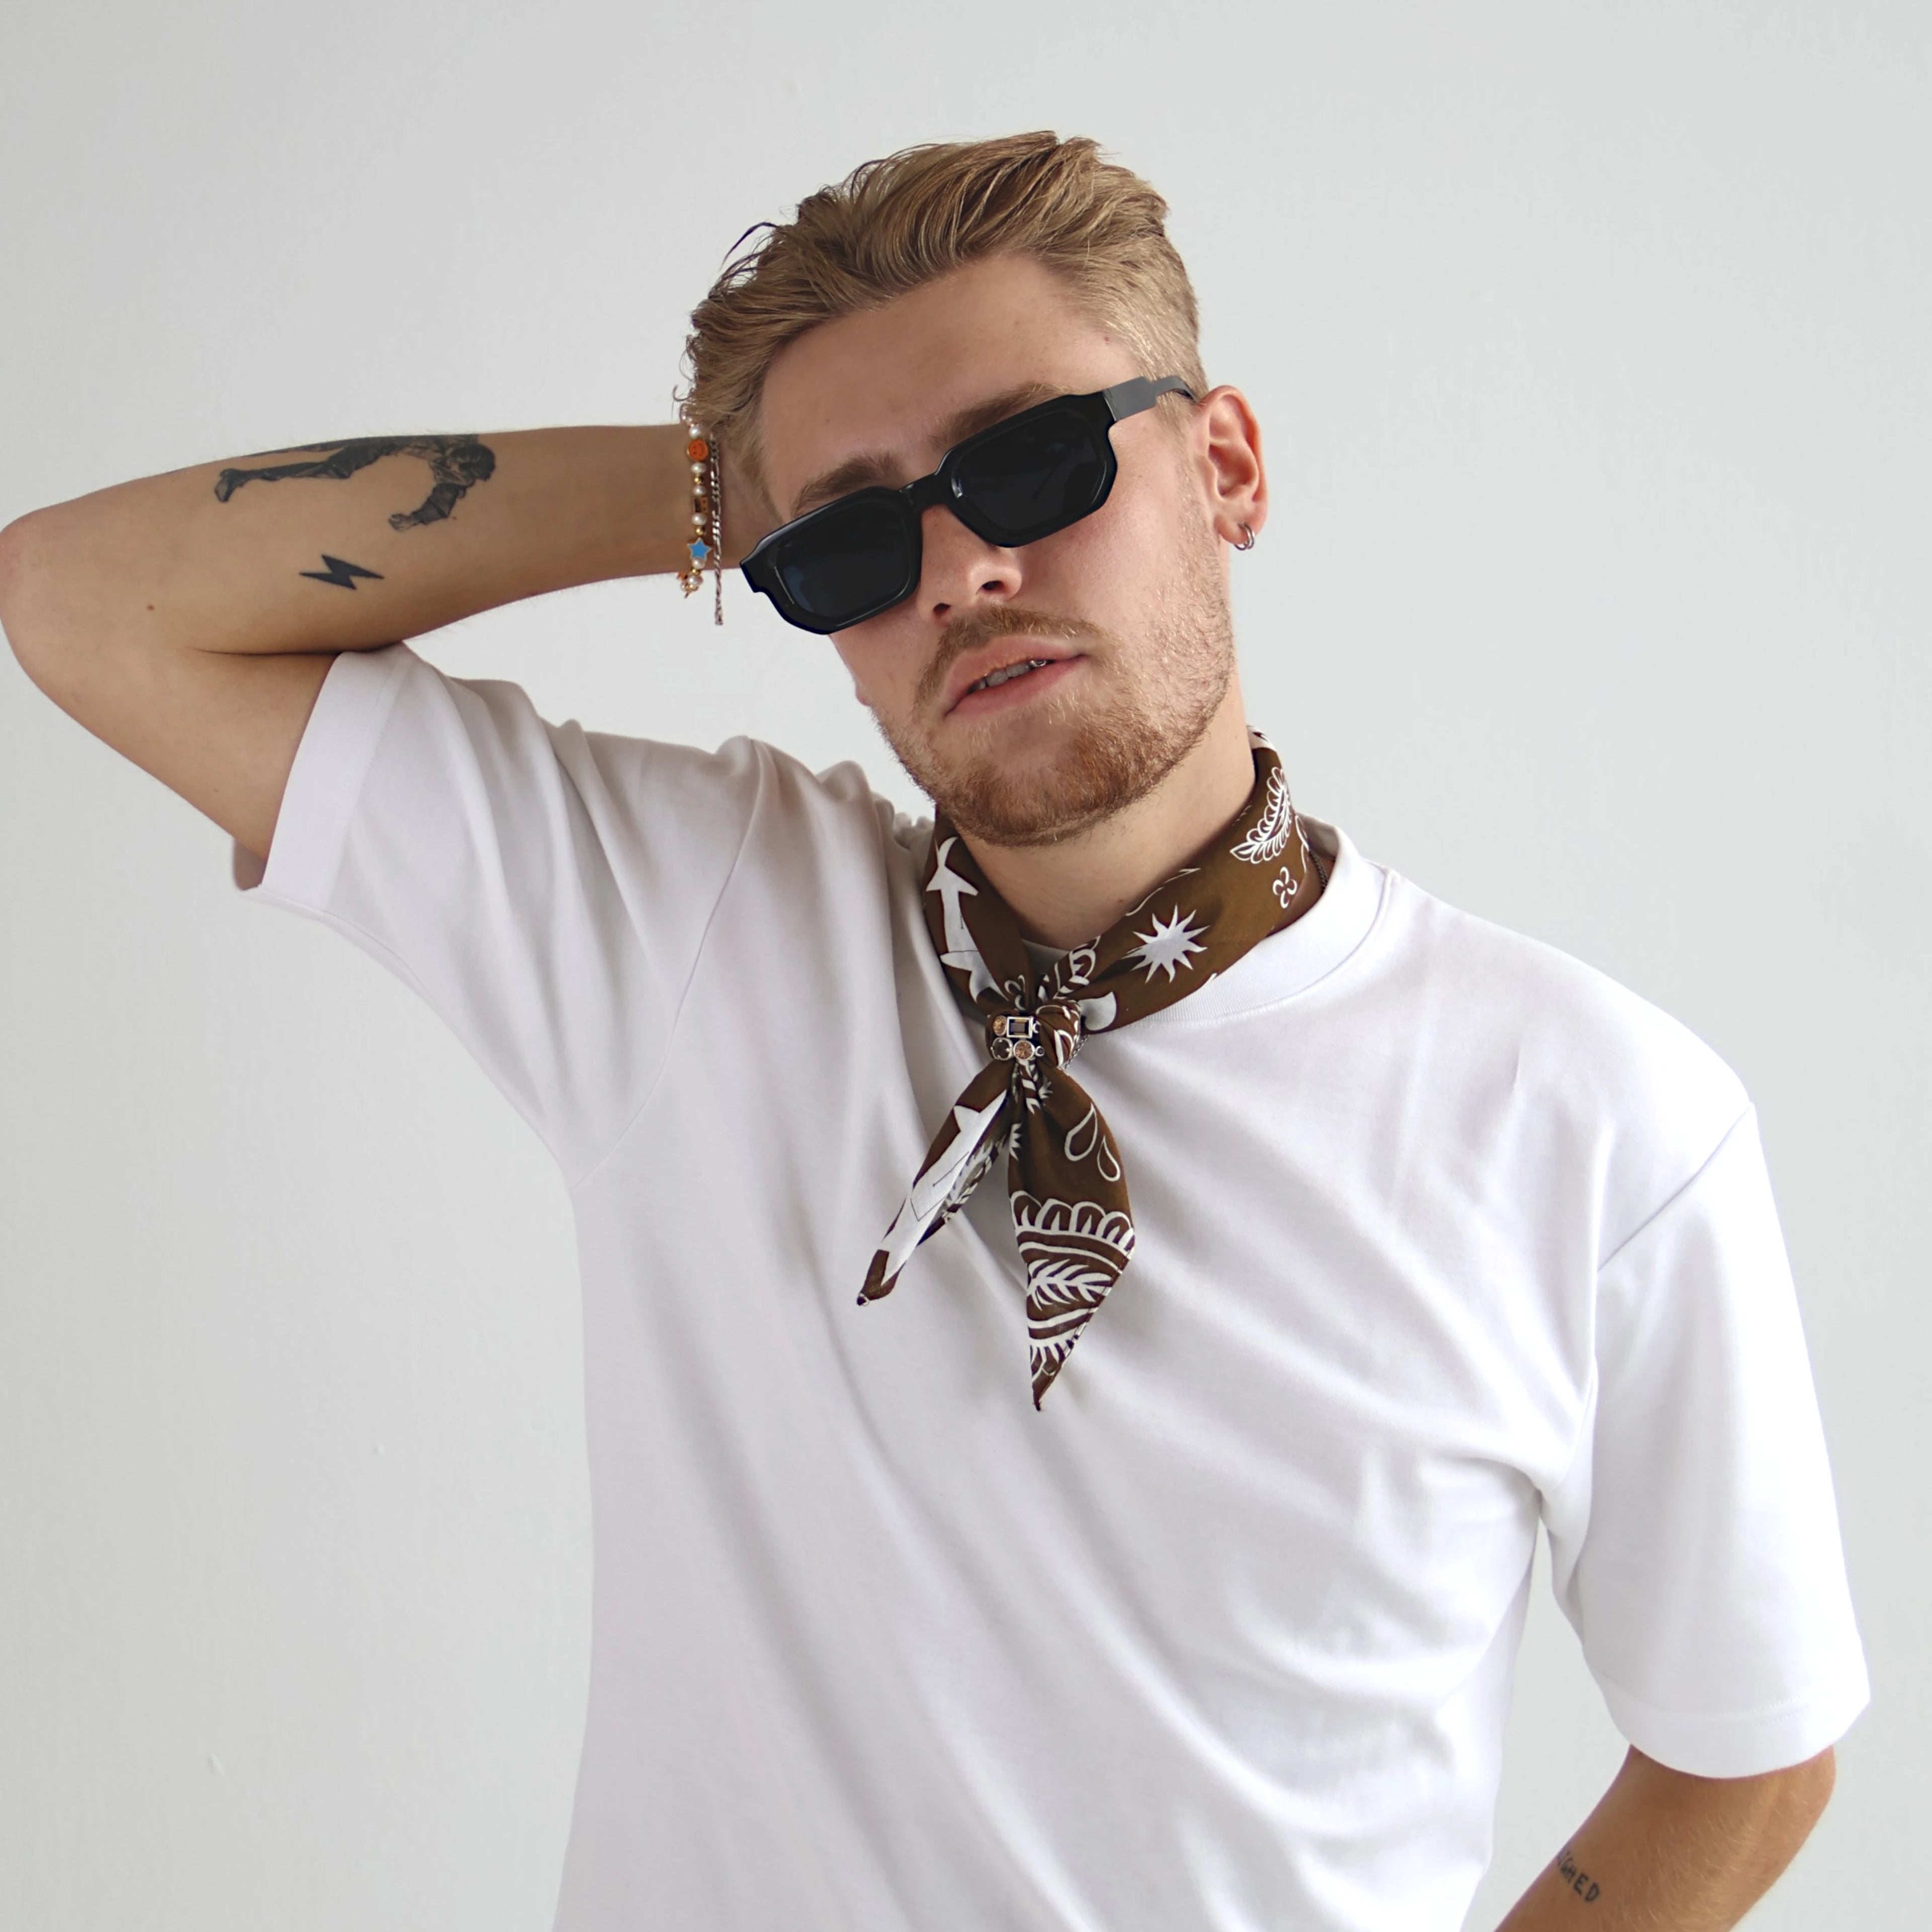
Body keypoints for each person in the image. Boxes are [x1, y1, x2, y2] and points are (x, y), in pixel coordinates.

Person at [0, 131, 1867, 1931]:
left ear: (1225, 464)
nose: (961, 570)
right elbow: (86, 602)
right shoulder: (694, 932)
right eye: (855, 541)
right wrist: (719, 489)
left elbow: (1748, 1754)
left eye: (1036, 461)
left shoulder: (1594, 1119)